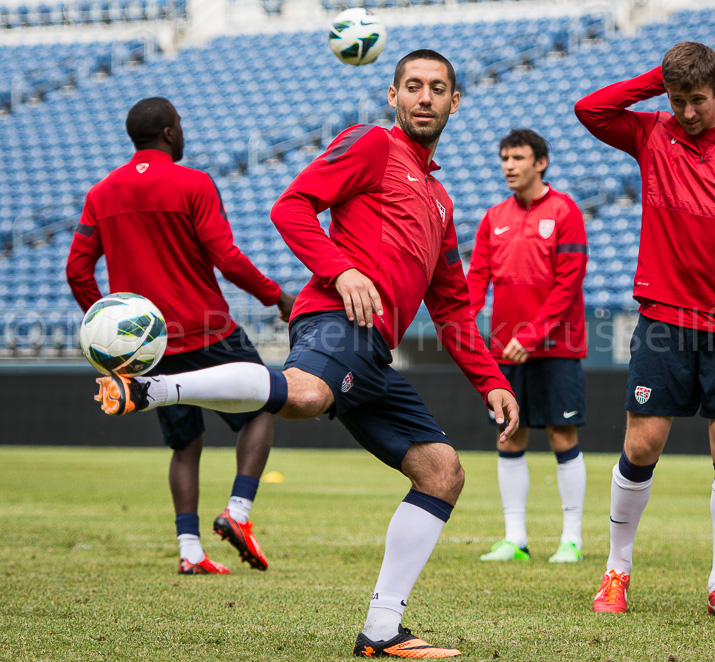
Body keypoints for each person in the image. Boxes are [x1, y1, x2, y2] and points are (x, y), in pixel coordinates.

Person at [92, 51, 519, 658]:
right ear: (393, 95)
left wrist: (491, 381)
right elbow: (290, 206)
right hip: (336, 320)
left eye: (437, 88)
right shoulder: (372, 144)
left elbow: (452, 308)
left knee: (442, 472)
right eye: (413, 86)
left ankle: (381, 632)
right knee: (308, 393)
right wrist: (340, 268)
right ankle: (148, 388)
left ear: (455, 102)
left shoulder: (441, 203)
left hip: (373, 354)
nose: (424, 97)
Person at [574, 42, 715, 617]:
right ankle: (616, 571)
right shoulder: (653, 132)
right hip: (664, 317)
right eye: (677, 100)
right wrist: (657, 81)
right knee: (641, 444)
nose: (686, 112)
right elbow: (590, 109)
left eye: (697, 100)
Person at [66, 98, 296, 575]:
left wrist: (111, 330)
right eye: (180, 125)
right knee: (266, 403)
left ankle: (190, 552)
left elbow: (77, 271)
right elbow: (227, 258)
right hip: (208, 330)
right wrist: (277, 296)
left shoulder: (101, 193)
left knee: (185, 445)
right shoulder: (193, 183)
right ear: (169, 133)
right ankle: (238, 513)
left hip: (148, 350)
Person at [466, 128, 589, 564]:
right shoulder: (493, 217)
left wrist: (532, 335)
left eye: (517, 158)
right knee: (508, 436)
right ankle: (515, 539)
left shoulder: (565, 211)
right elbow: (476, 279)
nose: (509, 166)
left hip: (557, 348)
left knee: (561, 435)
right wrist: (463, 326)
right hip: (504, 350)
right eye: (505, 158)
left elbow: (568, 282)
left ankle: (571, 540)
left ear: (541, 163)